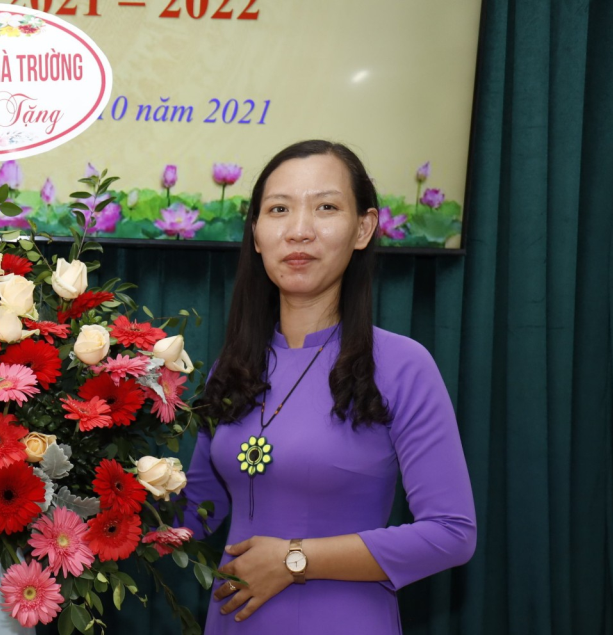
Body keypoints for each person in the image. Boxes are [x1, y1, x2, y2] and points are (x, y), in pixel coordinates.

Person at [182, 140, 476, 634]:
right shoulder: (229, 370)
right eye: (279, 210)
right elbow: (196, 516)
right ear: (256, 233)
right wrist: (80, 490)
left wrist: (295, 559)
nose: (299, 230)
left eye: (325, 208)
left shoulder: (402, 366)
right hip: (235, 620)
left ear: (363, 228)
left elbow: (451, 534)